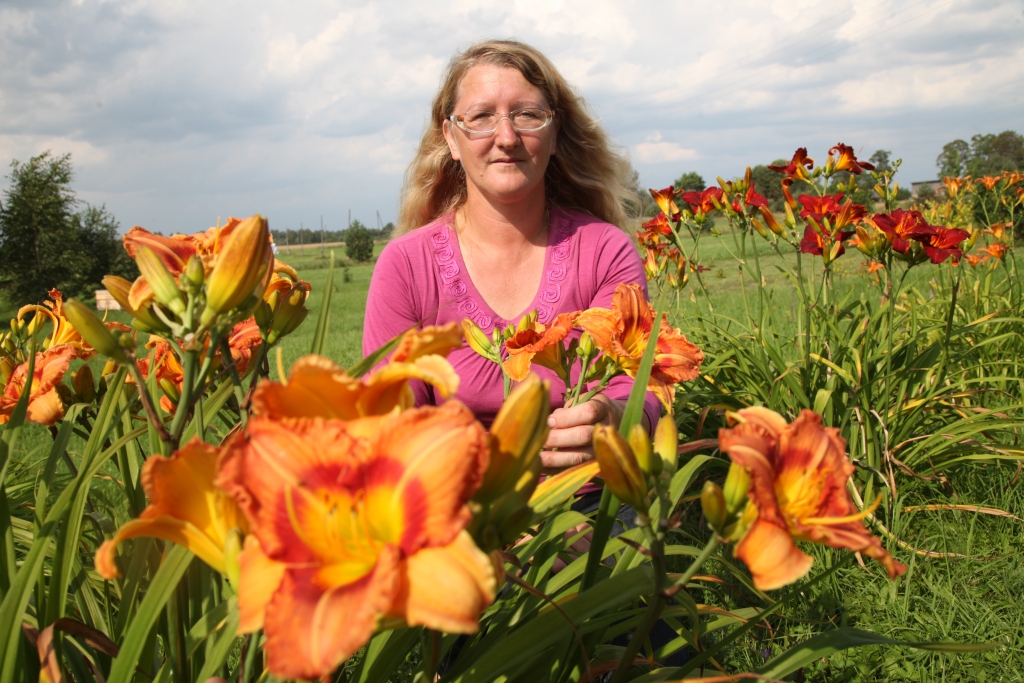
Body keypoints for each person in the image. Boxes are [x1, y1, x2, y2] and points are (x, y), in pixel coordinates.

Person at [363, 39, 660, 470]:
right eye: (481, 117)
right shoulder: (405, 265)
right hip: (457, 504)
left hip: (588, 500)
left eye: (527, 115)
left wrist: (616, 418)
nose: (506, 137)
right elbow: (388, 418)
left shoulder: (605, 250)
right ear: (451, 137)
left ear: (554, 133)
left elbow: (638, 388)